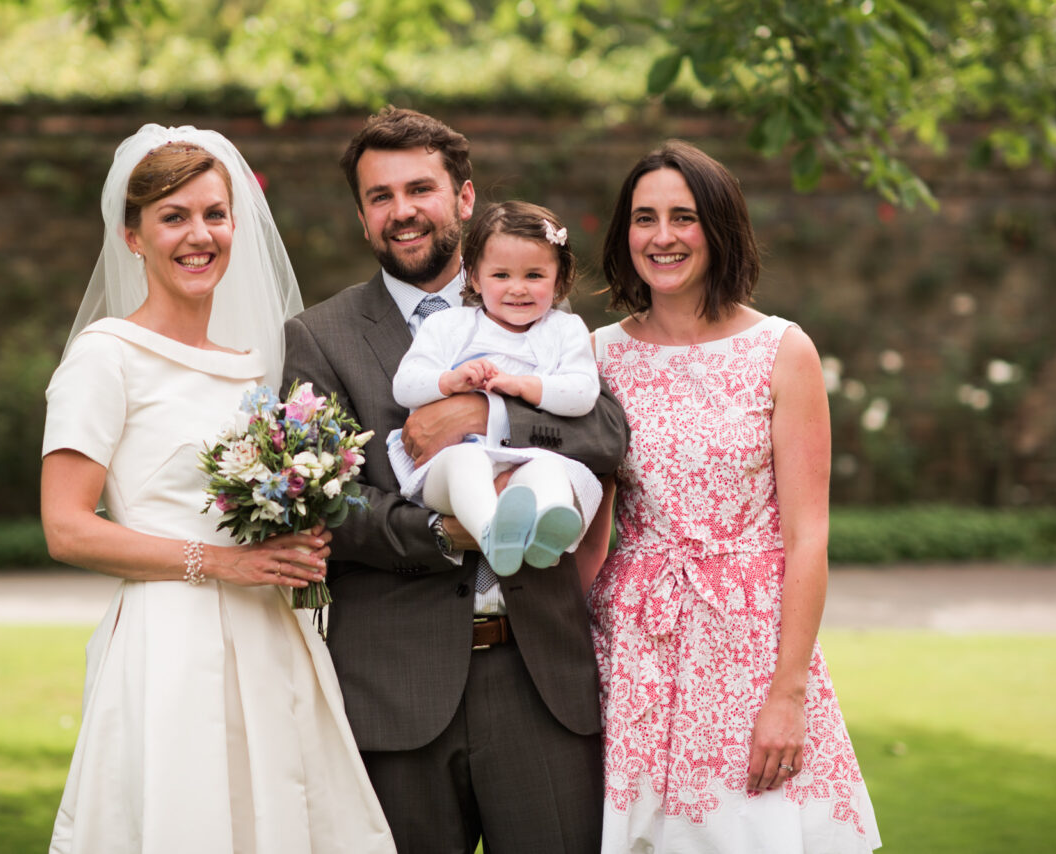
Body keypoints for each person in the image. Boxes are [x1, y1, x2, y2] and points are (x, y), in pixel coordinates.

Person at [40, 124, 395, 854]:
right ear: (132, 237)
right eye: (173, 216)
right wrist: (221, 564)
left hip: (274, 636)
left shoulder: (256, 365)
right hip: (172, 644)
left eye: (214, 214)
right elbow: (66, 528)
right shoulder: (106, 358)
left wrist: (304, 527)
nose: (198, 235)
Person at [282, 107, 628, 853]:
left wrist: (486, 414)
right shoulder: (319, 338)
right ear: (363, 214)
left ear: (464, 200)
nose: (402, 211)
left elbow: (604, 435)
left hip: (539, 681)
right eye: (380, 196)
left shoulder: (543, 309)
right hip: (394, 691)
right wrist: (444, 529)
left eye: (420, 189)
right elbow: (328, 504)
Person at [580, 140, 882, 852]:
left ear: (718, 228)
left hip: (748, 647)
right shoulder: (596, 355)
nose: (662, 237)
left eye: (683, 217)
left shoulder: (782, 349)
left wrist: (789, 692)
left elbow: (809, 536)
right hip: (632, 646)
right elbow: (592, 530)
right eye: (644, 217)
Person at [388, 200, 603, 575]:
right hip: (450, 464)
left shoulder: (564, 330)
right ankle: (491, 532)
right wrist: (450, 380)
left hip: (527, 457)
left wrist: (523, 385)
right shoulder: (449, 326)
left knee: (551, 470)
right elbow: (404, 386)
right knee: (467, 462)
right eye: (501, 275)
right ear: (474, 277)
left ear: (559, 277)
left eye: (534, 275)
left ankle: (544, 531)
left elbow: (583, 392)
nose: (517, 289)